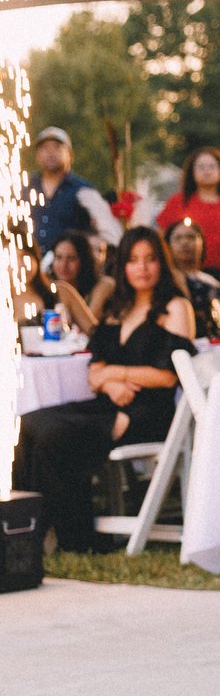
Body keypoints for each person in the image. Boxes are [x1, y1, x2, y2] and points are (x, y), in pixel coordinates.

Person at [13, 227, 194, 551]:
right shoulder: (117, 309)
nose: (142, 267)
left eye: (150, 259)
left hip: (148, 412)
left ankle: (76, 537)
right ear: (123, 265)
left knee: (55, 436)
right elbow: (93, 373)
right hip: (110, 403)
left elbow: (168, 375)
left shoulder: (175, 308)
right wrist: (111, 383)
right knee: (28, 424)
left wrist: (114, 372)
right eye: (133, 260)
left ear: (161, 264)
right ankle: (24, 528)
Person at [153, 146, 220, 300]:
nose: (206, 171)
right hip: (184, 274)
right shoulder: (178, 201)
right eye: (201, 167)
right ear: (192, 171)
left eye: (212, 166)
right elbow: (160, 235)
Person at [30, 127, 121, 253]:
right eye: (45, 148)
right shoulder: (25, 187)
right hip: (29, 265)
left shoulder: (84, 191)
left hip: (69, 266)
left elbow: (103, 231)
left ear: (70, 155)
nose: (50, 153)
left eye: (57, 147)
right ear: (37, 155)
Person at [162, 218, 220, 340]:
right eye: (178, 238)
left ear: (202, 242)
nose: (185, 243)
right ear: (168, 245)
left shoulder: (213, 282)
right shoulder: (165, 280)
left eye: (191, 237)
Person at [38, 229, 107, 334]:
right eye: (58, 257)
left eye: (71, 258)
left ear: (84, 260)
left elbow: (90, 329)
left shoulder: (102, 286)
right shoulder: (47, 289)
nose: (63, 265)